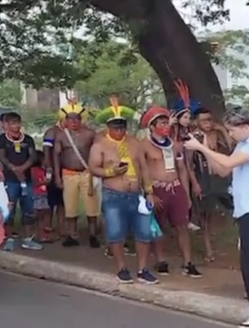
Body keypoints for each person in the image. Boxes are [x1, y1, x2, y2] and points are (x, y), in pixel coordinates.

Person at [184, 106, 249, 328]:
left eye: (232, 130)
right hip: (246, 210)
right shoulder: (244, 145)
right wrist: (204, 148)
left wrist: (198, 146)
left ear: (246, 126)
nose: (230, 134)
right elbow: (222, 170)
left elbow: (226, 164)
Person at [89, 100, 158, 284]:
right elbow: (93, 168)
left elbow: (143, 168)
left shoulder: (135, 143)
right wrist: (111, 172)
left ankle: (143, 269)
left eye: (122, 126)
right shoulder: (100, 145)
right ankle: (121, 267)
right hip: (113, 195)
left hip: (136, 195)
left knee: (144, 233)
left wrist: (149, 190)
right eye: (115, 126)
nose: (119, 129)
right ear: (108, 126)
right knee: (115, 232)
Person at [139, 107, 201, 278]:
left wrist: (186, 194)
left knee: (182, 225)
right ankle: (160, 260)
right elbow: (141, 171)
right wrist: (149, 192)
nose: (166, 126)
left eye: (167, 122)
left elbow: (182, 169)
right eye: (162, 123)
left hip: (175, 188)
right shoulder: (144, 145)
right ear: (152, 126)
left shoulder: (175, 145)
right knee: (158, 226)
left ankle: (188, 263)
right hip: (156, 189)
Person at [51, 102, 100, 247]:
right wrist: (57, 176)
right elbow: (56, 156)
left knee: (92, 207)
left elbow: (99, 152)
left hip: (87, 173)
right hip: (68, 174)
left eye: (76, 119)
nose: (73, 122)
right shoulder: (60, 135)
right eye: (70, 119)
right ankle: (72, 235)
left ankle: (93, 235)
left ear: (81, 120)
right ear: (65, 120)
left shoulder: (90, 134)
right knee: (70, 207)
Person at [189, 107, 233, 262]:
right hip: (204, 178)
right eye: (204, 120)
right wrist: (195, 183)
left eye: (210, 119)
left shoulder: (219, 134)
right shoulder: (194, 138)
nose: (208, 123)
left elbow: (231, 147)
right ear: (197, 122)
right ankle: (208, 248)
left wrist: (221, 129)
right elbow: (188, 164)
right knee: (206, 215)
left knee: (233, 207)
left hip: (222, 178)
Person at [0, 112, 41, 251]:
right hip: (9, 179)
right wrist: (13, 168)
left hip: (26, 179)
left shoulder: (28, 139)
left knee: (28, 209)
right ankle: (9, 238)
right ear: (7, 124)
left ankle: (27, 239)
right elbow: (1, 156)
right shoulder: (2, 139)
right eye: (12, 123)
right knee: (10, 209)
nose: (16, 126)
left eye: (17, 123)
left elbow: (32, 157)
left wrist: (23, 168)